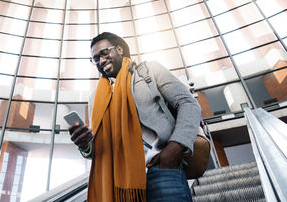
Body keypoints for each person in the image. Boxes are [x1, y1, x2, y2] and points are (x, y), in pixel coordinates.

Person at [69, 32, 201, 201]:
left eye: (104, 53)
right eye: (95, 59)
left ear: (119, 49)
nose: (101, 61)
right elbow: (97, 148)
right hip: (117, 183)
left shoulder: (149, 70)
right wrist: (84, 145)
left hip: (161, 169)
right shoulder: (95, 98)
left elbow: (188, 104)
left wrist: (175, 148)